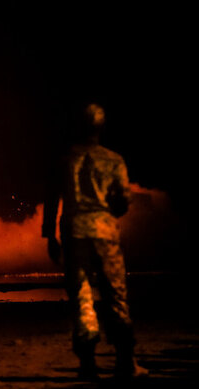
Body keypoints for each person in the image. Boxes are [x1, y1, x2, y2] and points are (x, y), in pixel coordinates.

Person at [42, 103, 148, 379]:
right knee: (116, 295)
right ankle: (126, 361)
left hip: (73, 234)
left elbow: (52, 200)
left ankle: (87, 363)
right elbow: (122, 202)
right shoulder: (113, 160)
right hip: (104, 234)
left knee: (81, 296)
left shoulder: (65, 160)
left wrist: (49, 236)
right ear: (100, 128)